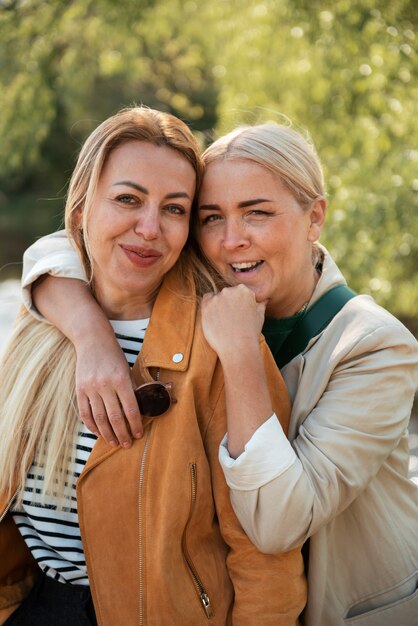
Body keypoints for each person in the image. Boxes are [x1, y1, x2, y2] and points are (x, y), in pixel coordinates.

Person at [18, 119, 418, 626]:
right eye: (210, 216)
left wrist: (241, 355)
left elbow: (275, 526)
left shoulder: (375, 347)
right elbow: (68, 243)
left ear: (314, 217)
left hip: (345, 607)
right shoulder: (181, 297)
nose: (231, 240)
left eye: (257, 214)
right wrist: (90, 333)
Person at [0, 107, 307, 626]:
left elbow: (262, 552)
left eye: (174, 209)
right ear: (80, 210)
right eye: (127, 199)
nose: (148, 229)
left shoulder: (221, 345)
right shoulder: (41, 325)